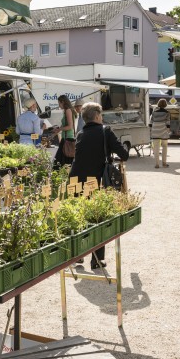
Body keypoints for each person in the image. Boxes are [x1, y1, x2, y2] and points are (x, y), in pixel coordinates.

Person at [69, 102, 129, 269]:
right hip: (95, 181)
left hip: (75, 180)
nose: (102, 118)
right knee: (98, 218)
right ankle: (97, 259)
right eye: (101, 115)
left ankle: (78, 256)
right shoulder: (105, 131)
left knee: (80, 216)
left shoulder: (80, 134)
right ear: (96, 116)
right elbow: (123, 154)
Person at [53, 95, 77, 166]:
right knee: (61, 162)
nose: (59, 105)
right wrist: (56, 131)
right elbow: (64, 125)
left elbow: (70, 126)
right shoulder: (67, 111)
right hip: (65, 139)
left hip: (67, 140)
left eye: (59, 103)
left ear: (63, 102)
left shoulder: (68, 110)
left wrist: (60, 129)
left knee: (60, 163)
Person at [150, 99, 171, 168]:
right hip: (163, 130)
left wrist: (151, 130)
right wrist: (168, 130)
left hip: (155, 130)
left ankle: (157, 164)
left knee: (156, 147)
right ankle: (164, 163)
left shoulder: (154, 112)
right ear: (165, 105)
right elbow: (168, 123)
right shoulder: (167, 113)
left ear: (158, 104)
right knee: (164, 146)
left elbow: (151, 122)